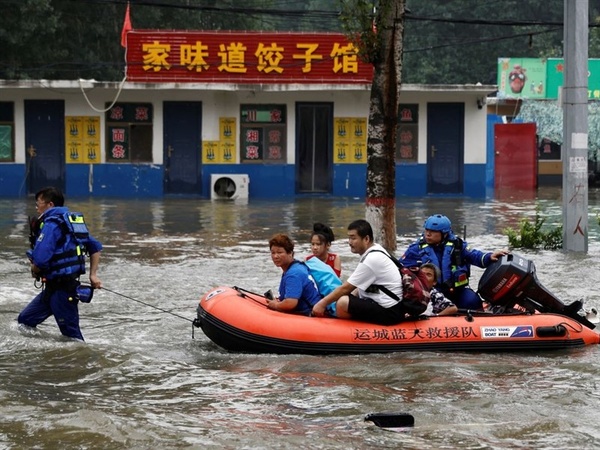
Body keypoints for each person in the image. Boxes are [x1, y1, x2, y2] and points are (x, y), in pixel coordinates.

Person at [17, 187, 103, 341]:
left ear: (50, 205)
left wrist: (34, 268)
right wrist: (93, 275)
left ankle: (81, 362)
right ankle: (51, 361)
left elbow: (41, 260)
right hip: (52, 288)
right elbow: (95, 247)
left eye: (38, 204)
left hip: (63, 291)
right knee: (25, 321)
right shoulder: (72, 222)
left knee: (72, 337)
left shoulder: (51, 225)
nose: (36, 208)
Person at [400, 214, 507, 310]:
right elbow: (401, 268)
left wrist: (489, 256)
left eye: (433, 232)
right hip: (430, 292)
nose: (428, 234)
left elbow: (474, 256)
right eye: (427, 230)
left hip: (456, 291)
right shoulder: (415, 249)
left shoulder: (458, 245)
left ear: (444, 234)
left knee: (472, 301)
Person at [311, 219, 408, 325]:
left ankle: (350, 330)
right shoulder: (376, 249)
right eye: (349, 237)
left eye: (353, 238)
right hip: (392, 303)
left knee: (342, 302)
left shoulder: (372, 259)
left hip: (390, 311)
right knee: (353, 292)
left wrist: (322, 304)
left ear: (366, 239)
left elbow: (346, 288)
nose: (349, 242)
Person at [266, 233, 321, 316]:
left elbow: (290, 303)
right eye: (273, 253)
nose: (275, 256)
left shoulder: (293, 274)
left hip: (310, 315)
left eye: (280, 252)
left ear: (290, 253)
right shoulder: (296, 266)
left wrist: (275, 305)